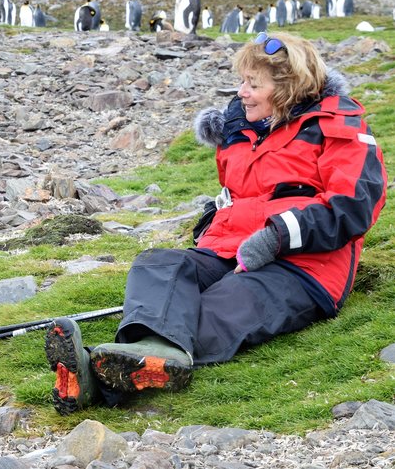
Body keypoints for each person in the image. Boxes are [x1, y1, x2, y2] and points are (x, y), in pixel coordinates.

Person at [44, 31, 388, 415]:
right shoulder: (242, 130)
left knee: (221, 305)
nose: (241, 92)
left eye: (253, 84)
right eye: (242, 81)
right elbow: (239, 197)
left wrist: (277, 236)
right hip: (231, 250)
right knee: (160, 265)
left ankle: (98, 376)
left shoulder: (337, 126)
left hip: (304, 266)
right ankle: (131, 362)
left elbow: (354, 207)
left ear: (287, 88)